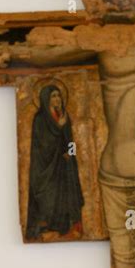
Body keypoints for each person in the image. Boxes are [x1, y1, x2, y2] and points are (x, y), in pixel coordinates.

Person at [26, 85, 85, 240]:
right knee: (48, 197)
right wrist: (59, 126)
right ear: (46, 99)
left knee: (64, 195)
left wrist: (70, 156)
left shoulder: (64, 116)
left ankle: (64, 226)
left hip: (63, 165)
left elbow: (70, 141)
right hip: (46, 168)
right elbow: (44, 145)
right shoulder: (40, 119)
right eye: (53, 96)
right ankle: (45, 226)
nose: (57, 99)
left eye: (58, 95)